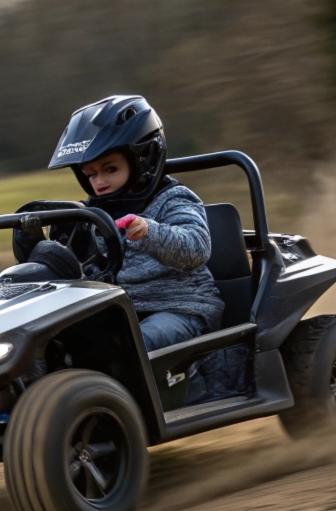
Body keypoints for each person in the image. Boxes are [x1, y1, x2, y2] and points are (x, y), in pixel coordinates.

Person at [18, 94, 225, 353]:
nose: (99, 181)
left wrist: (151, 231)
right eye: (91, 174)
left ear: (142, 160)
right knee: (41, 345)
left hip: (179, 307)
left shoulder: (174, 199)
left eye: (110, 169)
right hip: (114, 308)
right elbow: (67, 262)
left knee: (132, 349)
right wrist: (33, 243)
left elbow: (196, 247)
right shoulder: (88, 213)